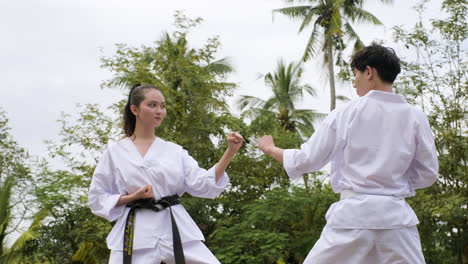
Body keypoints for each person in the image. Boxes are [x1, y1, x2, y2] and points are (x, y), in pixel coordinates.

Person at [258, 43, 438, 263]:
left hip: (352, 220)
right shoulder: (416, 117)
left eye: (355, 75)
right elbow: (428, 173)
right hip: (397, 222)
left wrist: (270, 148)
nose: (354, 83)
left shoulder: (347, 112)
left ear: (369, 72)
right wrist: (393, 184)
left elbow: (307, 160)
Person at [88, 84, 243, 264]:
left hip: (175, 227)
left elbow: (204, 184)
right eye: (152, 105)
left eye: (163, 106)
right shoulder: (115, 152)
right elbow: (97, 197)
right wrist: (132, 197)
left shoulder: (174, 151)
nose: (159, 111)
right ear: (134, 109)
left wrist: (230, 152)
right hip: (135, 233)